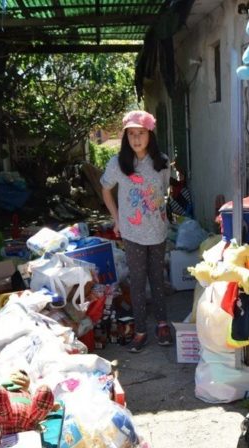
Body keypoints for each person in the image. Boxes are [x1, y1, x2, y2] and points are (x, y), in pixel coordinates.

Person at [101, 110, 172, 351]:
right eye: (131, 134)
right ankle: (140, 329)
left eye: (140, 133)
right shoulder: (118, 163)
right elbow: (105, 190)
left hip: (158, 231)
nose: (136, 139)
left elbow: (162, 191)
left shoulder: (161, 162)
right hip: (132, 233)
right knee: (138, 281)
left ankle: (162, 323)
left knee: (158, 279)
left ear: (150, 135)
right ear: (125, 137)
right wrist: (117, 219)